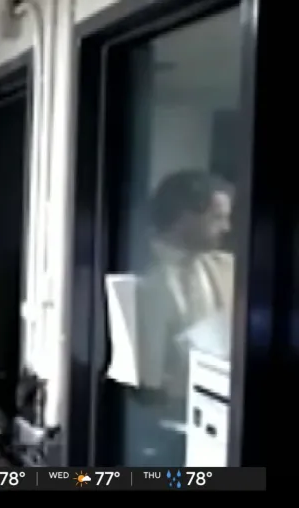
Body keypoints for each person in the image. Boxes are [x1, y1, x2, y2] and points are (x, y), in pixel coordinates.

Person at [132, 169, 234, 466]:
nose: (227, 227)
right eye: (217, 218)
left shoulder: (230, 268)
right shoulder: (136, 269)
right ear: (185, 216)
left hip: (221, 420)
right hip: (158, 430)